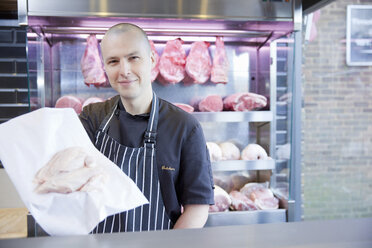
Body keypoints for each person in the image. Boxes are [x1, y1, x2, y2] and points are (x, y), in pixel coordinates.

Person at [79, 23, 214, 233]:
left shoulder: (185, 127)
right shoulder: (92, 118)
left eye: (133, 58)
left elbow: (197, 209)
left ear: (151, 60)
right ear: (105, 67)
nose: (124, 70)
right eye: (114, 61)